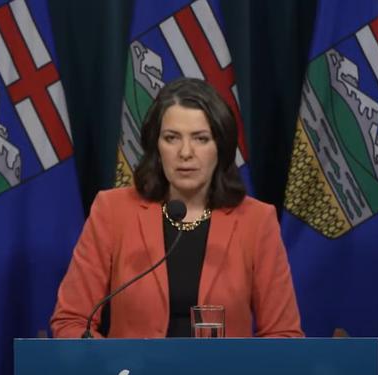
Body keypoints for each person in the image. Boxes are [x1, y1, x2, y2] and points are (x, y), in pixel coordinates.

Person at [50, 78, 303, 338]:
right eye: (172, 138)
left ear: (221, 146)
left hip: (223, 366)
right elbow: (71, 321)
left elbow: (284, 334)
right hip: (131, 365)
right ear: (156, 146)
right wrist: (113, 360)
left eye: (201, 139)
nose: (185, 152)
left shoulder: (256, 221)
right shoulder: (113, 211)